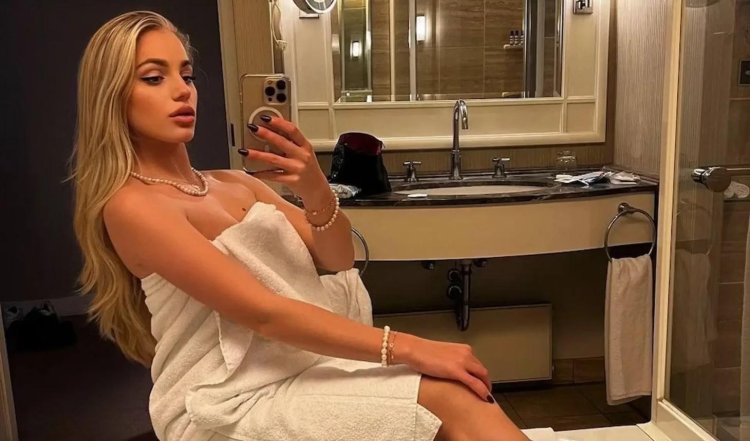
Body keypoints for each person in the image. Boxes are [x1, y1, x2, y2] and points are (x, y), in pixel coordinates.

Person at [70, 10, 530, 441]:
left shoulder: (235, 183)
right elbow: (264, 312)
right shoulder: (133, 206)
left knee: (457, 390)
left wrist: (314, 187)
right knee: (445, 396)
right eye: (154, 78)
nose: (182, 91)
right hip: (221, 401)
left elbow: (338, 257)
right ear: (112, 95)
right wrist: (410, 346)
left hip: (301, 368)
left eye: (186, 75)